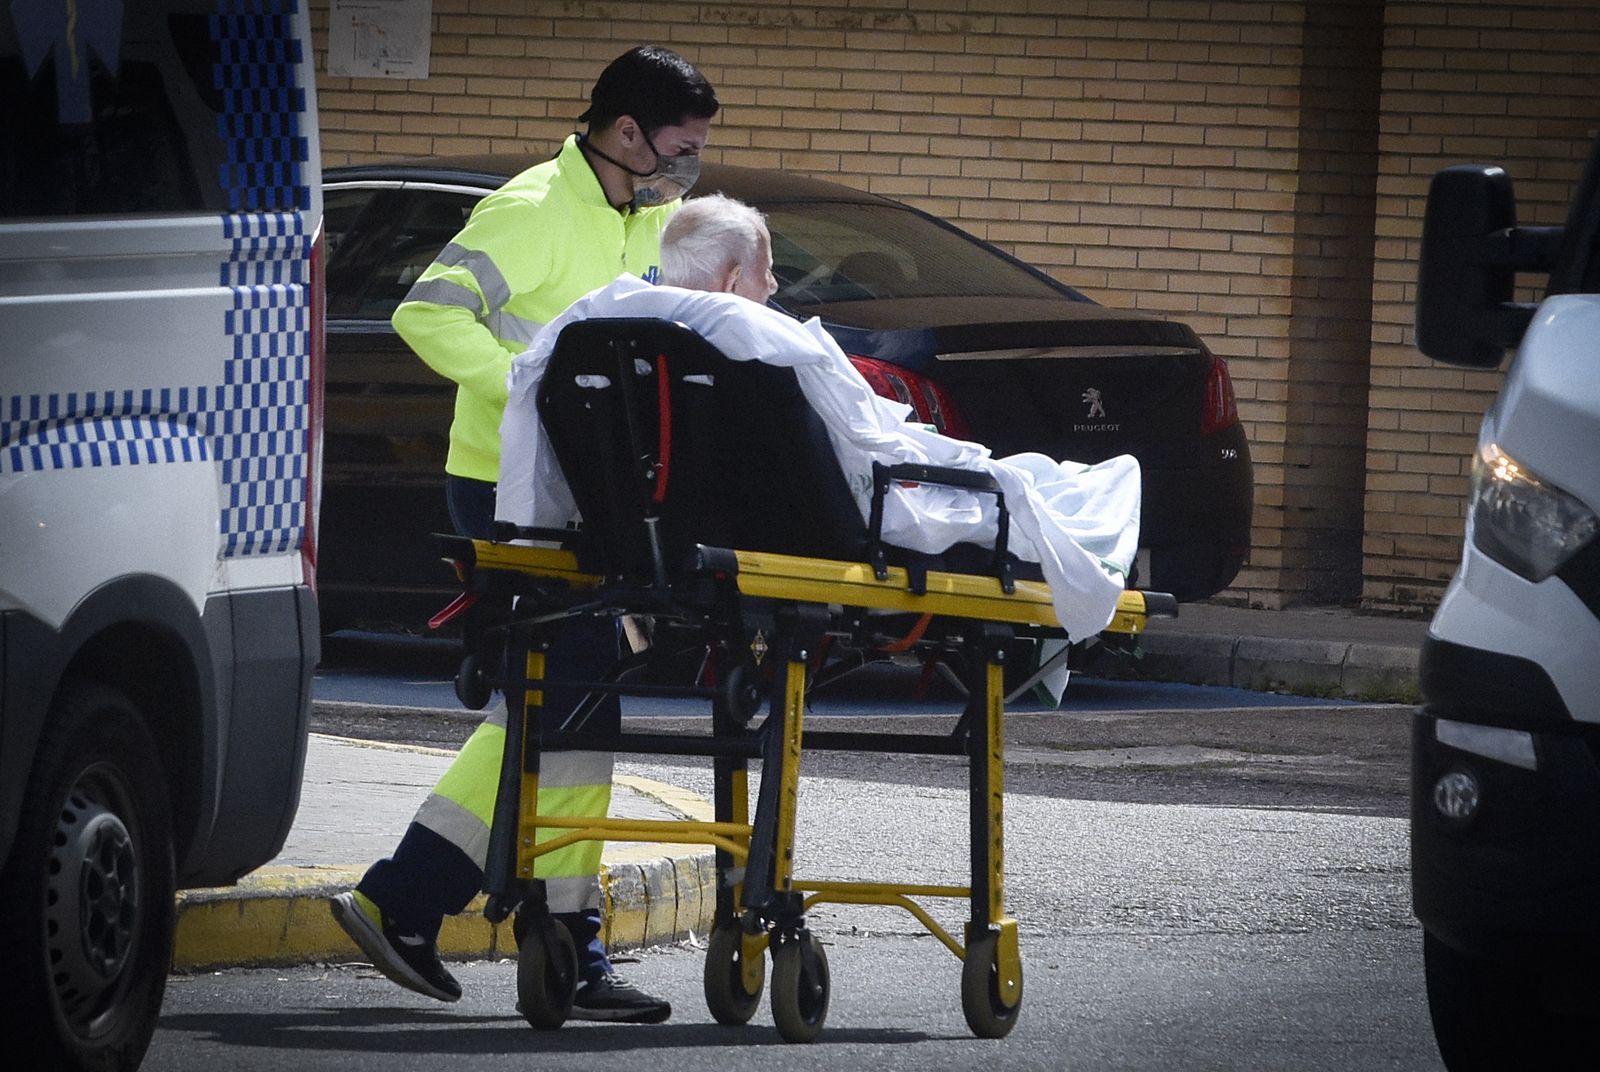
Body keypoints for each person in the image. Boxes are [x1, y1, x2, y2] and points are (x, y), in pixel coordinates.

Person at [329, 44, 718, 1025]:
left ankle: (454, 911)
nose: (687, 170)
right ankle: (525, 931)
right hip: (504, 488)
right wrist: (535, 392)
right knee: (571, 700)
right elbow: (426, 313)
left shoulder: (646, 215)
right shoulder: (532, 208)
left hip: (587, 498)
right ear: (624, 132)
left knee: (559, 704)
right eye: (678, 149)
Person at [499, 194, 1142, 644]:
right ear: (730, 277)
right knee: (1067, 483)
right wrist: (973, 466)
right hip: (821, 524)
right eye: (768, 269)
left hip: (666, 525)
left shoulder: (597, 342)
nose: (775, 287)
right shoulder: (768, 338)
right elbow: (870, 436)